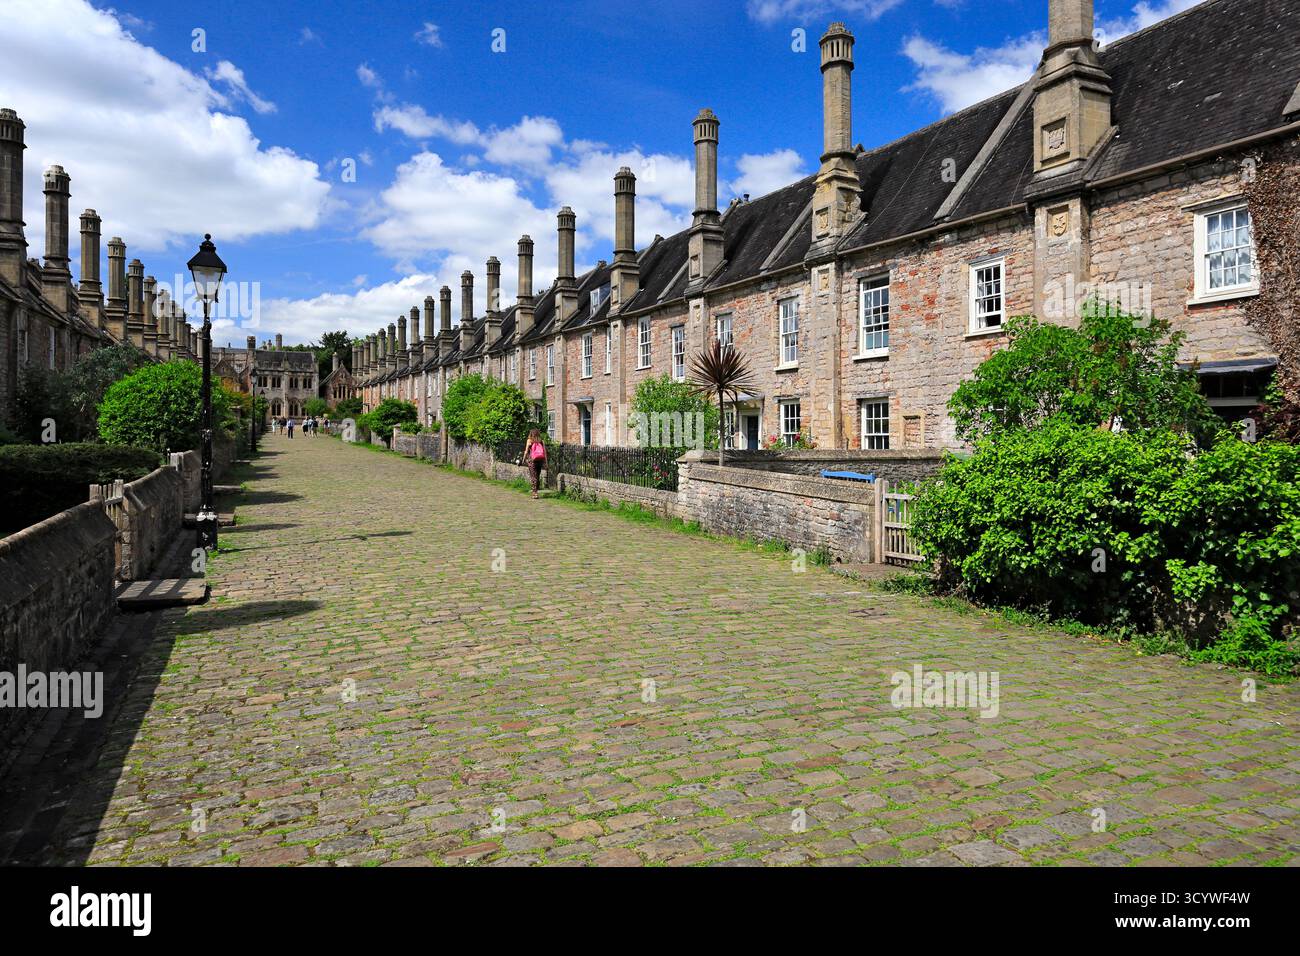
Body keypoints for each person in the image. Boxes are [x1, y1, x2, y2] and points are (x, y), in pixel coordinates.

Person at [524, 428, 546, 499]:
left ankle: (535, 493)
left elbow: (526, 451)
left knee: (533, 476)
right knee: (537, 476)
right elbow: (545, 453)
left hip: (532, 461)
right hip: (540, 460)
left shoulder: (529, 440)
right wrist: (546, 463)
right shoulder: (541, 441)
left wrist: (523, 459)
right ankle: (536, 490)